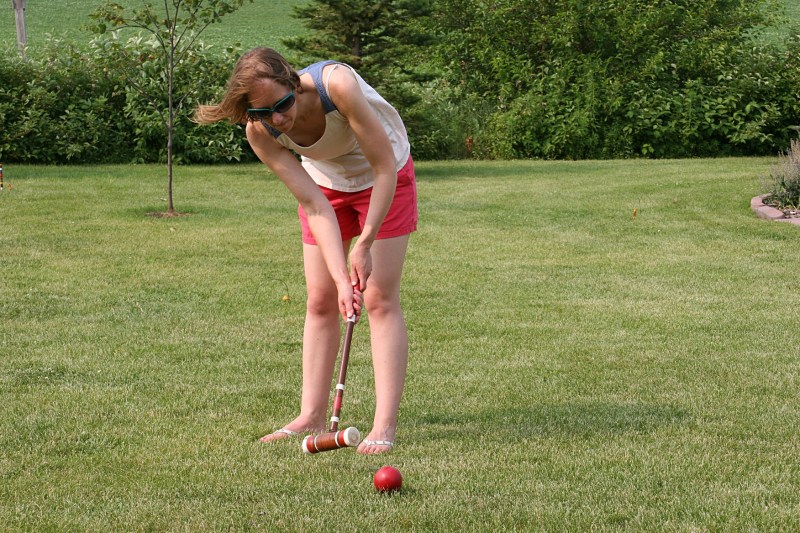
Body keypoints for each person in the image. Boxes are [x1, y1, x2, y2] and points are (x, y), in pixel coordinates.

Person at [194, 47, 416, 455]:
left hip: (385, 174)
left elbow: (383, 166)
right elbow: (314, 206)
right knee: (320, 300)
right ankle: (310, 414)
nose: (277, 119)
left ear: (293, 81)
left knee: (379, 298)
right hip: (327, 187)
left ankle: (384, 423)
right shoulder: (260, 132)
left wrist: (363, 244)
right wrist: (338, 278)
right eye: (263, 113)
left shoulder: (338, 86)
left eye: (281, 105)